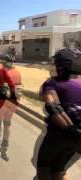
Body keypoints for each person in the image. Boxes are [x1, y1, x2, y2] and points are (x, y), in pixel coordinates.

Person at [36, 48, 81, 180]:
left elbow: (53, 107)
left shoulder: (53, 82)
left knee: (44, 167)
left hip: (60, 135)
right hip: (78, 140)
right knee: (59, 169)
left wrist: (70, 128)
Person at [0, 55, 22, 160]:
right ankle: (4, 147)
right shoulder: (17, 73)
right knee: (7, 124)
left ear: (4, 62)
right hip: (13, 101)